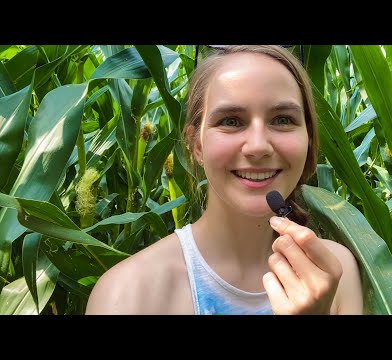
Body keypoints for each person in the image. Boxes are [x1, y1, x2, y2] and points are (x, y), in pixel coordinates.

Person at [85, 45, 363, 315]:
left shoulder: (335, 272)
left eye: (282, 119)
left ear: (309, 138)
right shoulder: (127, 294)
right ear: (196, 145)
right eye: (231, 121)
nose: (257, 146)